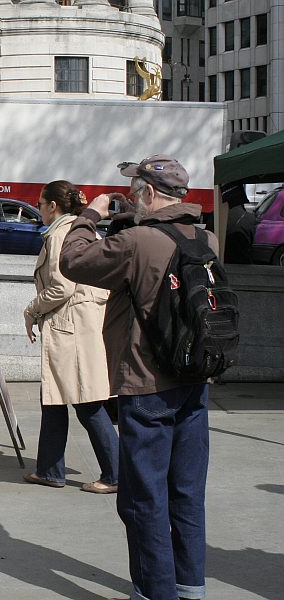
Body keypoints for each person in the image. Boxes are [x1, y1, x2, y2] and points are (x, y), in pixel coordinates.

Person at [59, 156, 213, 600]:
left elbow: (74, 261)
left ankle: (154, 591)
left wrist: (91, 215)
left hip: (147, 384)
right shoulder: (207, 238)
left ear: (147, 192)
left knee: (142, 499)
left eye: (135, 189)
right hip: (193, 381)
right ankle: (190, 588)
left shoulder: (138, 240)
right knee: (185, 493)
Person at [22, 180, 118, 494]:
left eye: (40, 203)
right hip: (82, 322)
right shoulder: (82, 230)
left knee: (85, 401)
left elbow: (62, 286)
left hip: (71, 324)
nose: (38, 208)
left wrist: (31, 310)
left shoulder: (60, 233)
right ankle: (49, 469)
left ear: (53, 205)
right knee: (56, 397)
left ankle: (116, 473)